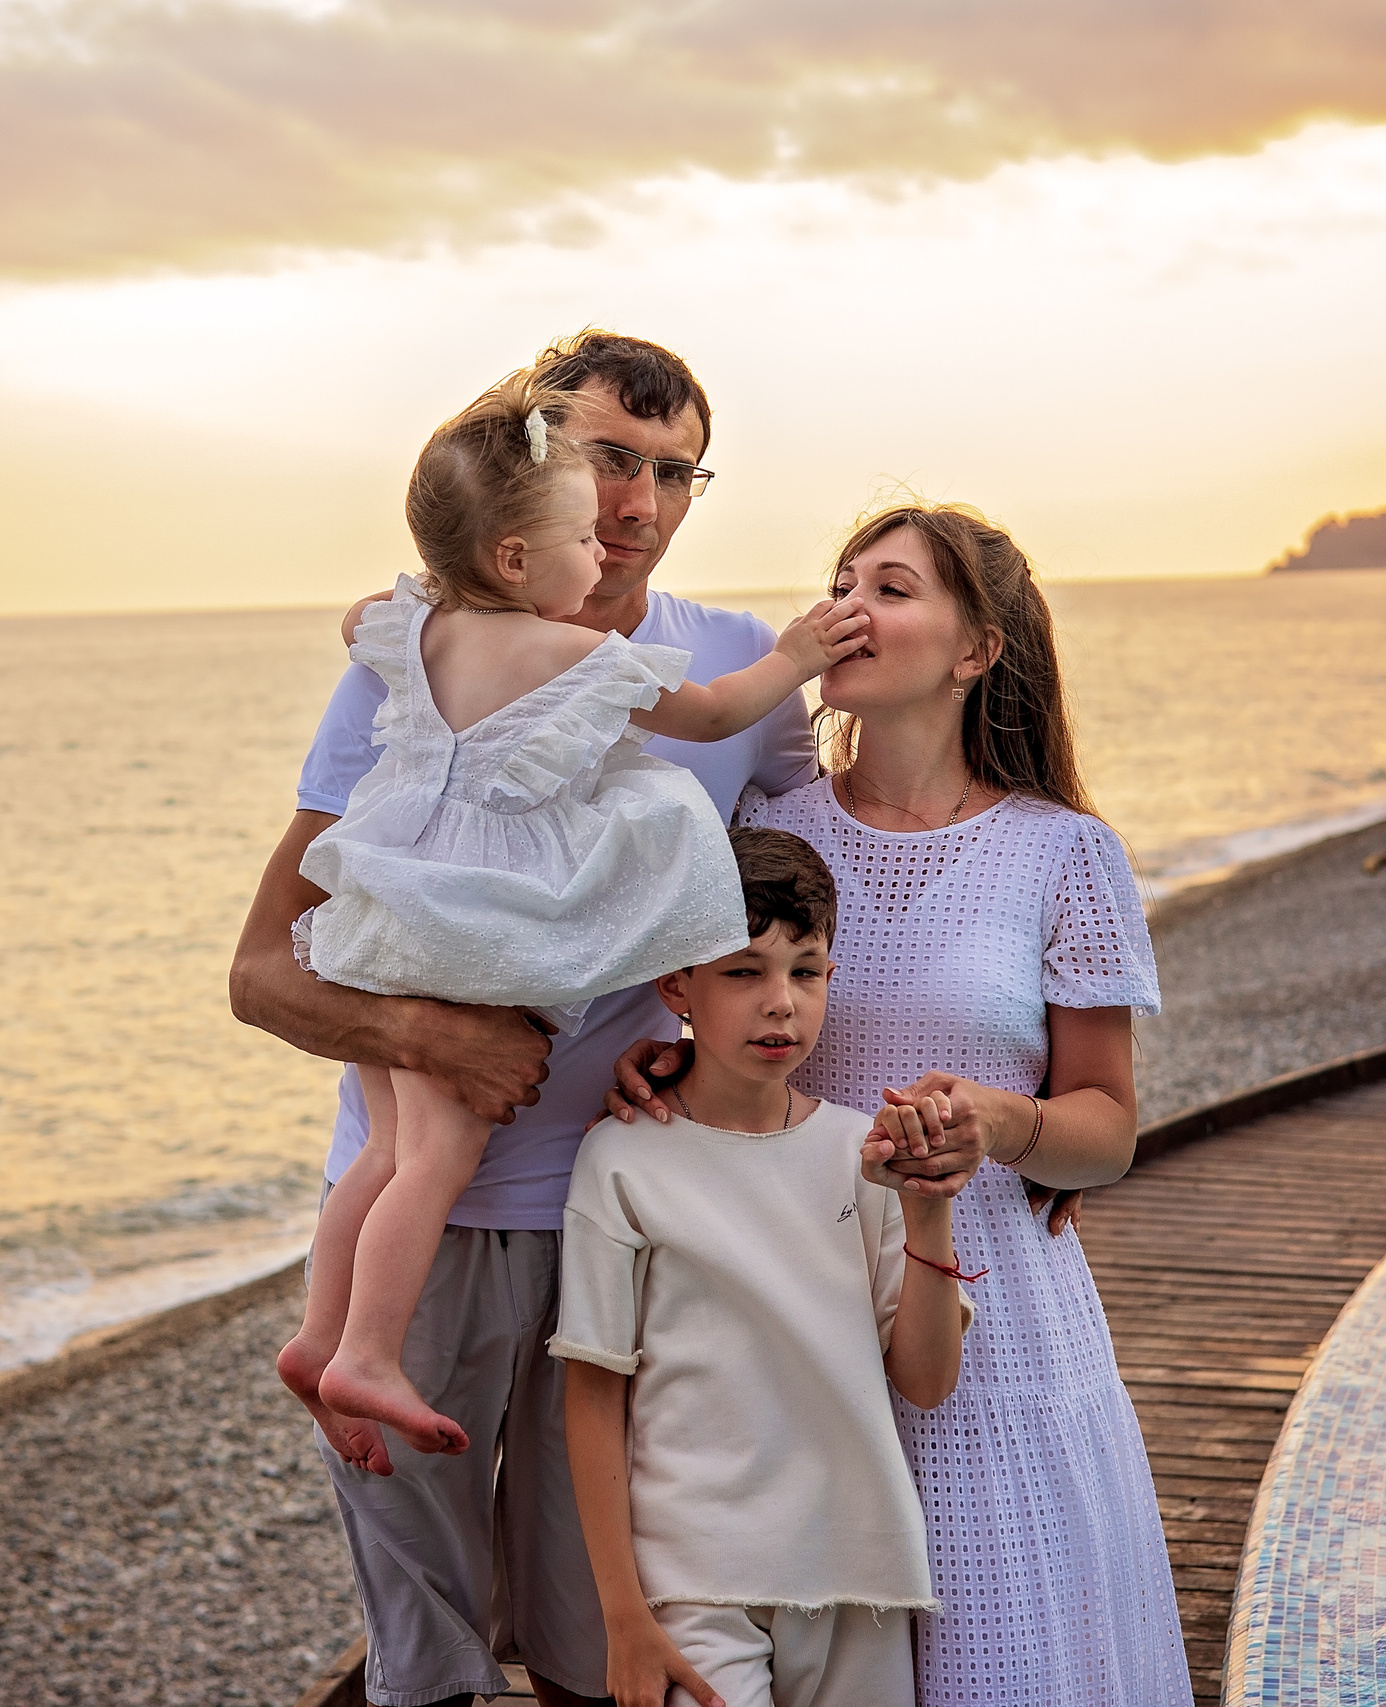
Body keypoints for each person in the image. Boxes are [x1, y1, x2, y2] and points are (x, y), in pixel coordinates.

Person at [229, 330, 825, 1707]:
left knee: (599, 1638)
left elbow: (791, 901)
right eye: (608, 457)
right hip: (430, 1226)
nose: (639, 504)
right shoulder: (420, 658)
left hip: (632, 1213)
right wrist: (438, 1043)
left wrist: (706, 1045)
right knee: (428, 1652)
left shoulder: (739, 668)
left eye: (676, 471)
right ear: (531, 466)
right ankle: (342, 1343)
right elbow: (265, 968)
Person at [609, 503, 1191, 1704]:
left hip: (1004, 1337)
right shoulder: (759, 836)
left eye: (891, 587)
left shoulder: (1065, 853)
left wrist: (1003, 1124)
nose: (849, 608)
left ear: (978, 647)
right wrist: (651, 1054)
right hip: (800, 1316)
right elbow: (719, 1024)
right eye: (839, 583)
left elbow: (1107, 1129)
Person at [274, 371, 870, 1465]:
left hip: (391, 927)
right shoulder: (578, 653)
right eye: (601, 473)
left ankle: (321, 1335)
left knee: (394, 1151)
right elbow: (714, 707)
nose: (623, 520)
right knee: (430, 1159)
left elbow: (811, 845)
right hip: (466, 976)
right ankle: (364, 1352)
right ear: (518, 543)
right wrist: (797, 657)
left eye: (673, 472)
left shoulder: (415, 627)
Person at [557, 828, 977, 1707]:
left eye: (806, 970)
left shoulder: (858, 1153)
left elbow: (927, 1379)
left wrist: (925, 1204)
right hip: (693, 1583)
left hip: (860, 1571)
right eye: (744, 971)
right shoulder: (621, 1160)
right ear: (677, 983)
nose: (780, 1003)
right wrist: (624, 1617)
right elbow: (592, 1394)